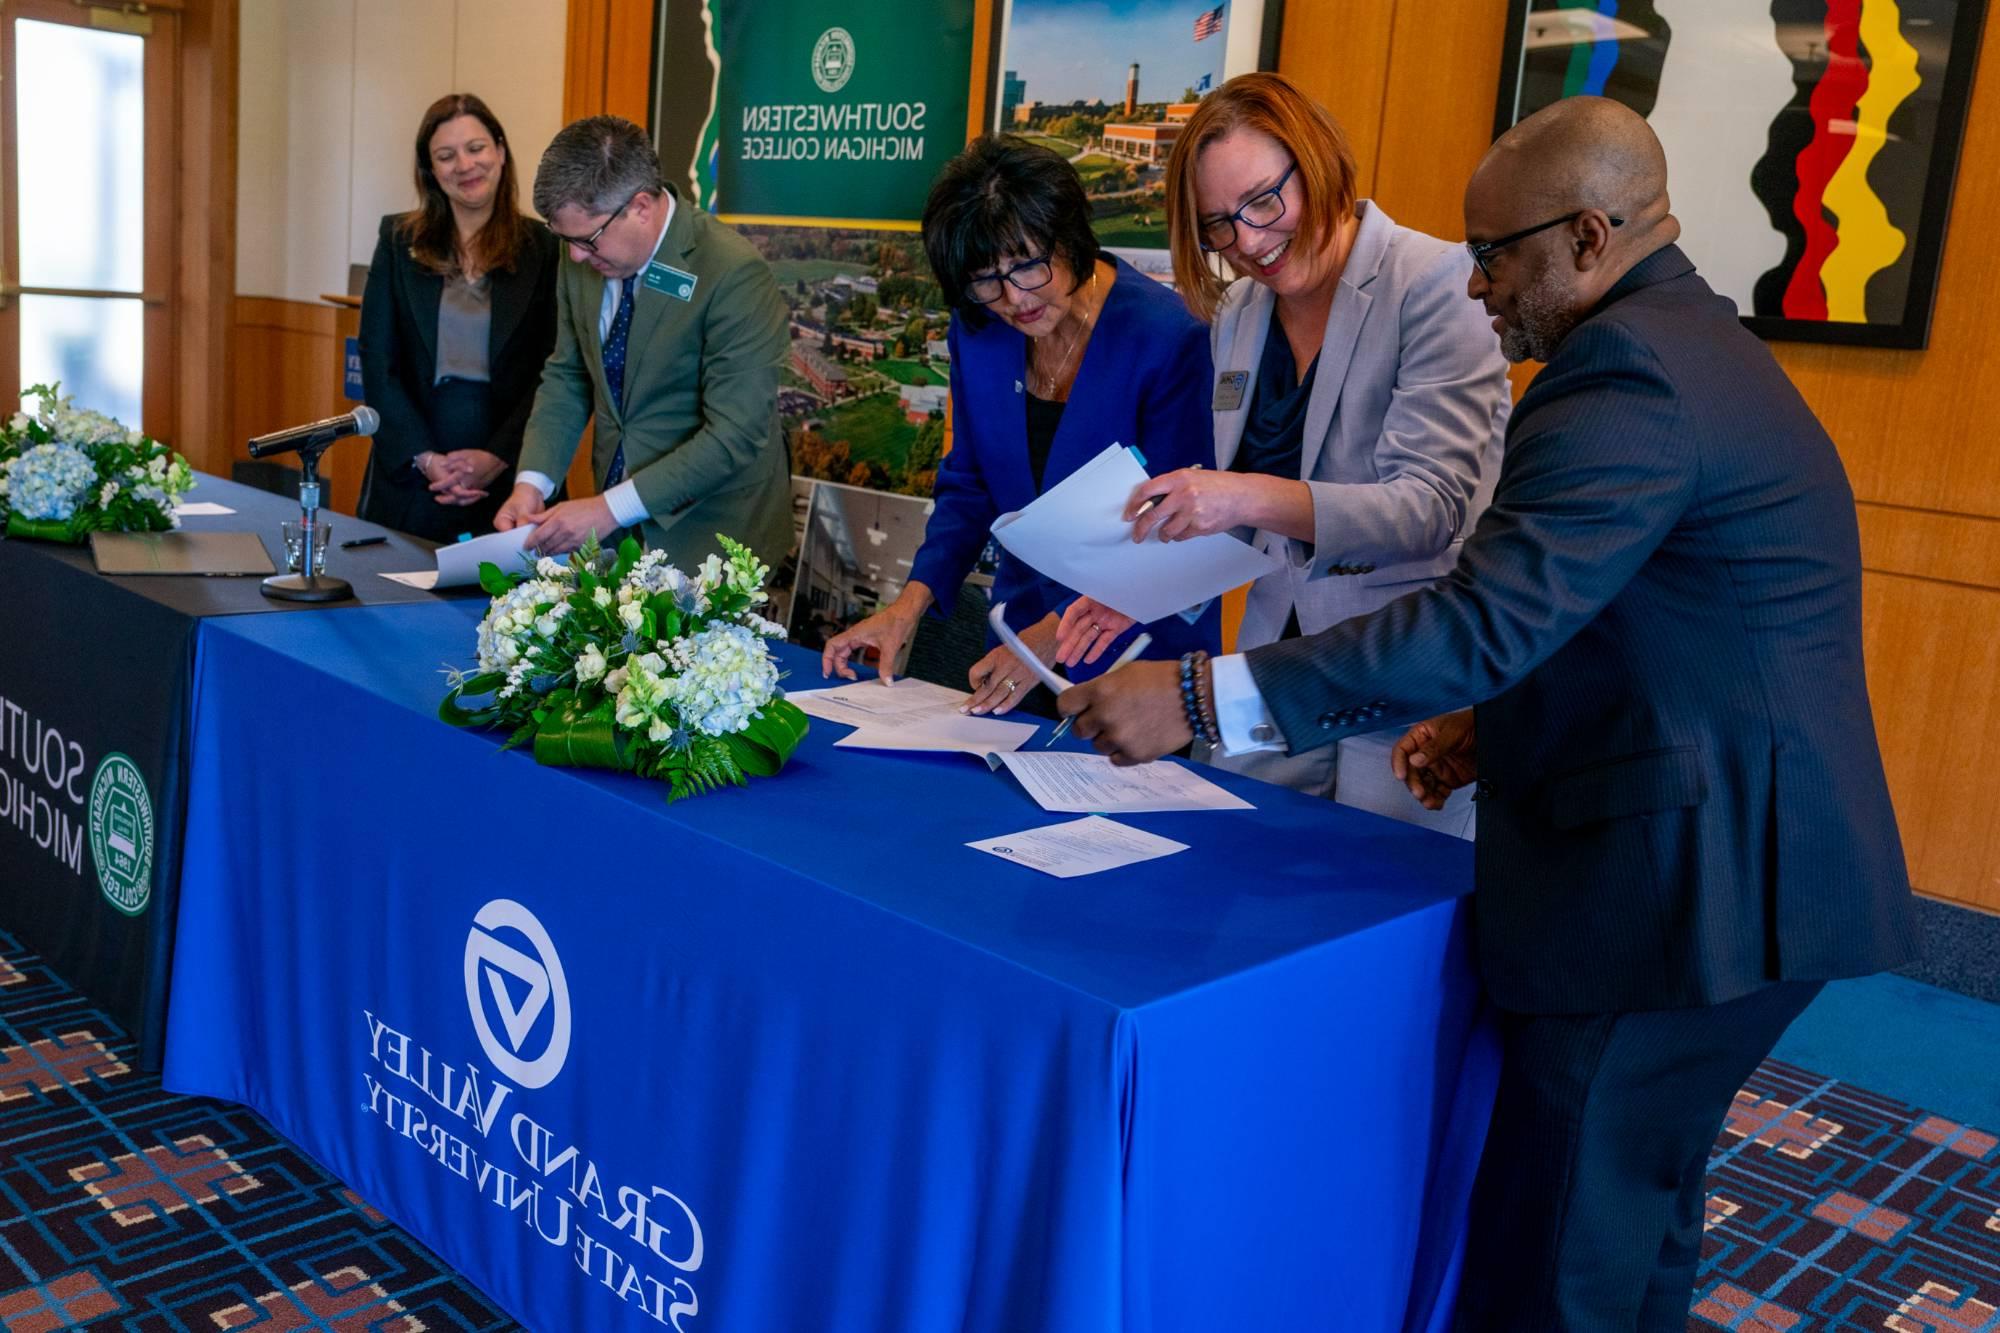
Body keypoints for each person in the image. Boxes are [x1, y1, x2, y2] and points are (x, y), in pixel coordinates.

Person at [1056, 96, 1918, 1330]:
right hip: (1740, 860)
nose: (1473, 291)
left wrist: (1199, 693)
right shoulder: (1679, 342)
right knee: (1636, 1220)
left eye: (1492, 256)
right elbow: (1626, 615)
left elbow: (1481, 616)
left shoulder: (1624, 379)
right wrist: (1484, 724)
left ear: (1582, 236)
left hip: (1685, 892)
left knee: (1557, 1249)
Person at [1052, 73, 1507, 829]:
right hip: (1268, 672)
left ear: (1318, 159)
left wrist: (1234, 491)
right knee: (1231, 884)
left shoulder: (1435, 282)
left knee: (1378, 917)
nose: (1250, 243)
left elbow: (1430, 509)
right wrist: (1142, 582)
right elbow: (1246, 532)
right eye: (1218, 227)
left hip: (1404, 683)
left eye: (1265, 202)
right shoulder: (1238, 312)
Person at [820, 136, 1218, 711]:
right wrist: (905, 608)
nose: (1012, 299)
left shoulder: (1168, 338)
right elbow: (970, 483)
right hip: (1016, 647)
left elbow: (1174, 530)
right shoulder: (978, 330)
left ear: (1071, 238)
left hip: (1135, 658)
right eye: (986, 280)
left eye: (1028, 266)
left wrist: (1043, 645)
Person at [493, 116, 791, 569]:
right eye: (565, 239)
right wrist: (531, 482)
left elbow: (735, 435)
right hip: (615, 529)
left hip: (712, 533)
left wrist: (607, 508)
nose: (575, 256)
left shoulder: (732, 272)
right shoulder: (582, 245)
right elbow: (569, 374)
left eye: (588, 240)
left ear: (641, 207)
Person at [357, 93, 559, 541]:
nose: (464, 166)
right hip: (413, 474)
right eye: (445, 156)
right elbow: (377, 360)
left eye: (476, 148)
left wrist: (498, 457)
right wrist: (425, 458)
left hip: (510, 477)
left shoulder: (546, 247)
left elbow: (554, 370)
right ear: (430, 171)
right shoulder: (396, 240)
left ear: (501, 152)